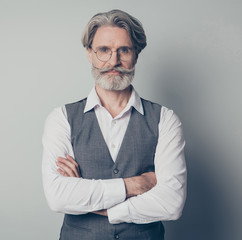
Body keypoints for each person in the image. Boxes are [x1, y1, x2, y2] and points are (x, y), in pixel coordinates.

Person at [42, 9, 187, 240]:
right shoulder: (61, 118)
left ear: (136, 54)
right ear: (89, 54)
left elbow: (171, 203)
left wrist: (98, 204)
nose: (113, 61)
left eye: (124, 50)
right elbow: (58, 197)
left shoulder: (165, 119)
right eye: (103, 50)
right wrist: (134, 185)